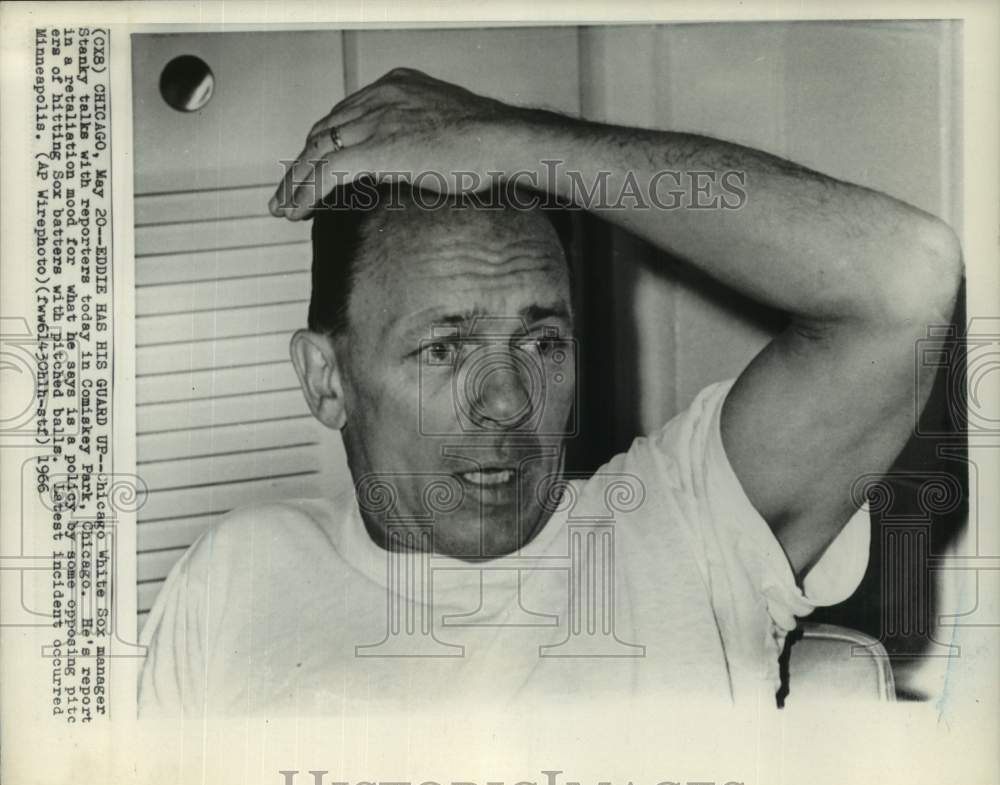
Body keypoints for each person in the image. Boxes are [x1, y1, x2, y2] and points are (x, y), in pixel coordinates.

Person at [138, 68, 962, 715]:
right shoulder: (238, 574)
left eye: (541, 341)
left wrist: (505, 139)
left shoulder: (683, 520)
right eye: (443, 347)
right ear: (327, 379)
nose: (506, 400)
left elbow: (905, 280)